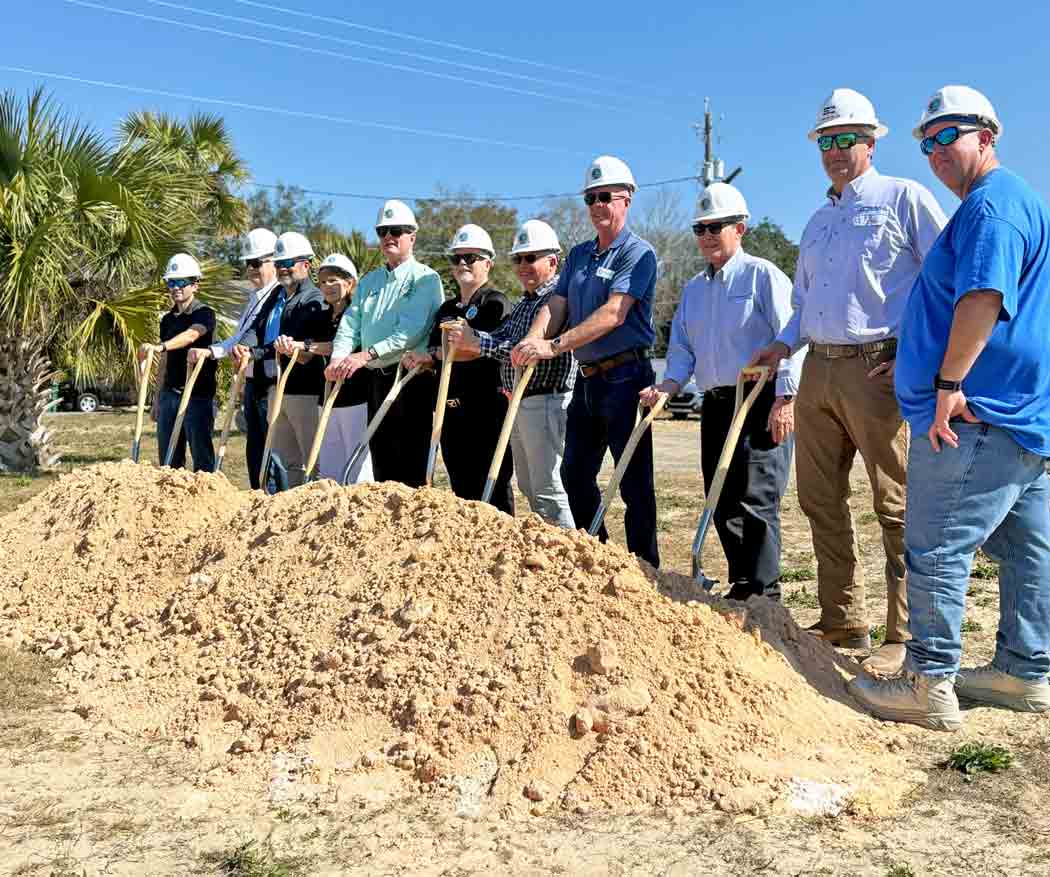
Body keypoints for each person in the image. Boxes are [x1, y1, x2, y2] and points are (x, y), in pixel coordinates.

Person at [849, 86, 1050, 730]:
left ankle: (927, 680)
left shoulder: (991, 208)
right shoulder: (1008, 202)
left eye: (948, 136)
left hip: (975, 411)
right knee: (1027, 548)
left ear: (986, 135)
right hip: (1018, 413)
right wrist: (910, 353)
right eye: (925, 140)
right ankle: (1023, 672)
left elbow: (983, 298)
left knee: (935, 543)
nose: (935, 151)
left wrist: (944, 383)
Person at [751, 89, 947, 676]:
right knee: (818, 497)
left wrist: (917, 354)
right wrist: (784, 343)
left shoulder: (903, 198)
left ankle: (906, 630)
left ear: (871, 141)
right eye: (827, 142)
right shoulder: (817, 221)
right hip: (818, 367)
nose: (836, 151)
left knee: (896, 502)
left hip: (879, 366)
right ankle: (842, 617)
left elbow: (945, 277)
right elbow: (805, 300)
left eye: (847, 139)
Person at [642, 183, 803, 601]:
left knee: (757, 497)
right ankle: (743, 583)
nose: (708, 235)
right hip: (716, 402)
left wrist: (786, 399)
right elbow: (681, 348)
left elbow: (793, 334)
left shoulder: (762, 275)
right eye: (700, 228)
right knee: (723, 494)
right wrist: (669, 384)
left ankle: (766, 594)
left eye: (717, 226)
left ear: (740, 228)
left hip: (758, 398)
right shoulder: (695, 289)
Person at [513, 156, 659, 568]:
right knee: (575, 475)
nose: (597, 206)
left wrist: (554, 346)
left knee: (632, 482)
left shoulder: (638, 254)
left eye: (605, 197)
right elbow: (556, 305)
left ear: (627, 199)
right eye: (590, 198)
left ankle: (645, 568)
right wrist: (531, 339)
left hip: (627, 377)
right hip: (588, 379)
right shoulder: (579, 255)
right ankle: (598, 556)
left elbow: (614, 313)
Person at [445, 219, 576, 528]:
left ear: (552, 261)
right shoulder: (524, 303)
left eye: (530, 258)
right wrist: (476, 340)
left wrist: (477, 342)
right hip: (519, 401)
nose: (522, 265)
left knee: (548, 488)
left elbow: (522, 351)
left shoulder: (555, 298)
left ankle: (573, 554)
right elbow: (505, 340)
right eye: (518, 259)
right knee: (530, 487)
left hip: (545, 398)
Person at [326, 200, 443, 488]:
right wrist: (337, 358)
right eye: (382, 231)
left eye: (397, 230)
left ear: (412, 237)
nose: (389, 236)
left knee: (411, 461)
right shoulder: (370, 282)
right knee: (382, 459)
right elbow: (350, 324)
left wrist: (366, 354)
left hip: (410, 379)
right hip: (375, 379)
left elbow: (410, 332)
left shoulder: (425, 278)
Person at [403, 224, 513, 512]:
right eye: (457, 258)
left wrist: (437, 355)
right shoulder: (446, 309)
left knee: (493, 488)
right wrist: (422, 358)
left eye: (471, 257)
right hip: (449, 409)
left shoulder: (495, 303)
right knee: (461, 488)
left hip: (485, 409)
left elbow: (475, 351)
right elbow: (434, 350)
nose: (463, 263)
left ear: (487, 263)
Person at [190, 227, 278, 487]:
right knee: (254, 451)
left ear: (273, 261)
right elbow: (240, 337)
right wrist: (213, 351)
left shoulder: (276, 296)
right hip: (251, 382)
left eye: (256, 263)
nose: (251, 270)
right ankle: (257, 498)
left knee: (269, 457)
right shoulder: (254, 297)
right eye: (247, 264)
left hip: (270, 381)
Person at [275, 253, 373, 484]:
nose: (326, 286)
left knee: (357, 465)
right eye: (323, 281)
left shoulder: (359, 315)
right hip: (326, 396)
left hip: (355, 397)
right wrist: (290, 348)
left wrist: (304, 345)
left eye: (333, 280)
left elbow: (338, 346)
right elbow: (306, 357)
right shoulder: (320, 317)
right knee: (329, 463)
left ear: (350, 283)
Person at [244, 231, 324, 489]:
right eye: (278, 264)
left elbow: (295, 342)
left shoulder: (313, 299)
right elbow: (257, 329)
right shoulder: (276, 295)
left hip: (305, 391)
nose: (282, 269)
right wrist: (246, 348)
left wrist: (258, 353)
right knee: (286, 460)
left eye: (288, 264)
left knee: (311, 459)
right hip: (278, 388)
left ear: (305, 265)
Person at [140, 253, 217, 472]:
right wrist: (156, 400)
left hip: (198, 397)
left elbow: (192, 335)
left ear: (195, 285)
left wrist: (163, 346)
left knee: (202, 461)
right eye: (171, 282)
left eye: (182, 282)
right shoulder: (167, 319)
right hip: (170, 396)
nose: (176, 287)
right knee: (168, 461)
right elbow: (164, 361)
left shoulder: (204, 313)